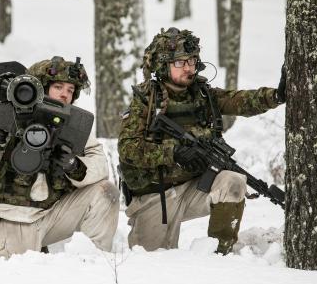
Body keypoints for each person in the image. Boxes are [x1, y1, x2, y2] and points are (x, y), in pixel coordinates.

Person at [118, 27, 286, 254]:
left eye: (192, 60)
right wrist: (173, 153)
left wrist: (276, 96)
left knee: (234, 181)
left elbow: (238, 101)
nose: (188, 67)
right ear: (163, 65)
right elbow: (128, 148)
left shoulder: (203, 94)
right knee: (150, 262)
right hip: (156, 195)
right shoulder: (147, 100)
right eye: (180, 62)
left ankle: (220, 252)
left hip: (194, 189)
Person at [0, 56, 120, 257]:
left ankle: (94, 262)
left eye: (70, 91)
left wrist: (74, 166)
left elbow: (100, 165)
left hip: (50, 216)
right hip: (9, 217)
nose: (65, 95)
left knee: (106, 193)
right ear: (42, 87)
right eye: (59, 87)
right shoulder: (6, 115)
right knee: (21, 279)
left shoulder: (73, 126)